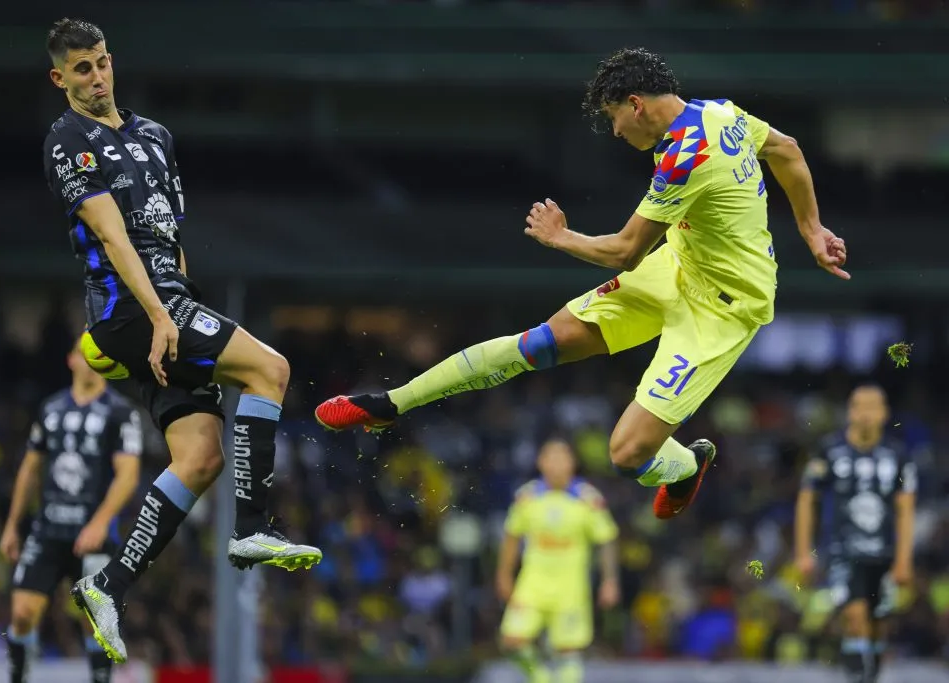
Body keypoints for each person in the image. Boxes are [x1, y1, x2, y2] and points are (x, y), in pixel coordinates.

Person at [316, 47, 849, 519]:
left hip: (723, 308)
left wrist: (561, 237)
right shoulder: (719, 112)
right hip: (677, 268)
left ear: (635, 104)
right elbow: (787, 150)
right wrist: (812, 229)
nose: (615, 132)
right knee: (541, 343)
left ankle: (685, 466)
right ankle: (392, 403)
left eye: (614, 118)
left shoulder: (688, 155)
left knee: (627, 454)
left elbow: (624, 250)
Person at [40, 18, 321, 663]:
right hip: (130, 312)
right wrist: (164, 317)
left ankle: (107, 585)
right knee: (269, 370)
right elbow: (114, 239)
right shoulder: (68, 139)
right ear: (60, 78)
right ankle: (249, 529)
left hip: (170, 306)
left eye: (104, 62)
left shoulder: (155, 136)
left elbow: (170, 237)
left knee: (198, 457)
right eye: (82, 68)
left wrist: (181, 306)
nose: (98, 76)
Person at [0, 339, 142, 683]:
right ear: (71, 359)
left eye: (102, 352)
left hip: (94, 536)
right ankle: (18, 676)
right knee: (22, 613)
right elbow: (30, 468)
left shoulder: (121, 412)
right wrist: (11, 525)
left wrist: (101, 522)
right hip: (48, 529)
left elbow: (128, 475)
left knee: (95, 620)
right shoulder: (51, 409)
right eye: (85, 351)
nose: (93, 357)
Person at [795, 384, 916, 683]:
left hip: (883, 552)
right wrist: (802, 553)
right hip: (842, 550)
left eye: (873, 407)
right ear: (849, 412)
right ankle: (858, 675)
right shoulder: (829, 450)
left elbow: (906, 509)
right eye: (858, 406)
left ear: (885, 414)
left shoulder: (897, 455)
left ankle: (868, 672)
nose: (865, 414)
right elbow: (807, 498)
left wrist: (904, 560)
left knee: (876, 623)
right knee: (854, 615)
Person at [496, 438, 620, 683]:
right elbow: (511, 537)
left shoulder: (587, 498)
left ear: (572, 463)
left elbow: (606, 539)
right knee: (511, 642)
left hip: (570, 587)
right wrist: (503, 575)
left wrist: (610, 580)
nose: (556, 463)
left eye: (562, 457)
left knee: (568, 651)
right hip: (532, 584)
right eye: (550, 457)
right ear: (540, 463)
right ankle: (541, 678)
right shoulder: (527, 497)